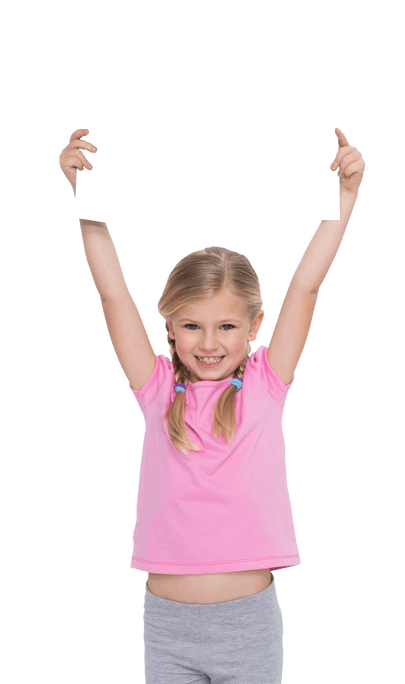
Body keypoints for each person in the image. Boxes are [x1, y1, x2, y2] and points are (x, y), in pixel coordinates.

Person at [65, 125, 367, 683]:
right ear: (171, 330)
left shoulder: (264, 384)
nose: (209, 343)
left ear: (255, 326)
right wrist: (87, 201)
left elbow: (304, 287)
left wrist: (343, 199)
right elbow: (113, 294)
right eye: (193, 326)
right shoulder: (155, 387)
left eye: (226, 325)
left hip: (247, 625)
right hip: (165, 624)